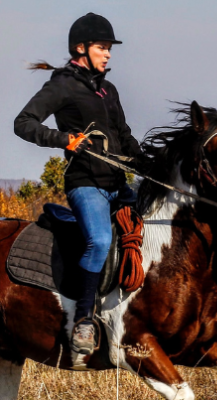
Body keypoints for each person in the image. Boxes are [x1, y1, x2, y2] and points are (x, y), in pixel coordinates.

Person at [14, 13, 143, 355]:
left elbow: (124, 136)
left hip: (118, 183)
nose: (109, 54)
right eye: (103, 47)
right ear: (81, 48)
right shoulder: (62, 85)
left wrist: (147, 161)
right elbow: (22, 123)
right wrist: (63, 139)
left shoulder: (107, 89)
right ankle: (83, 320)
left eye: (108, 48)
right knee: (100, 241)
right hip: (86, 184)